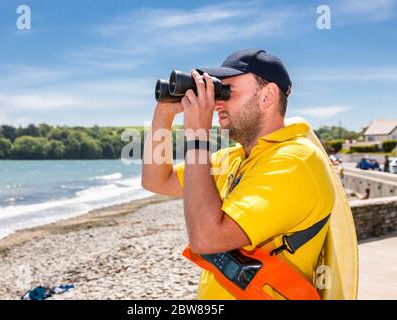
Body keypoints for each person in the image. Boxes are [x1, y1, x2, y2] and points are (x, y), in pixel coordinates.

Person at [141, 48, 335, 299]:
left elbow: (207, 239)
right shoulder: (234, 157)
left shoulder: (295, 161)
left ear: (267, 96)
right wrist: (164, 113)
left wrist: (197, 137)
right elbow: (156, 180)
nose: (217, 103)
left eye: (227, 91)